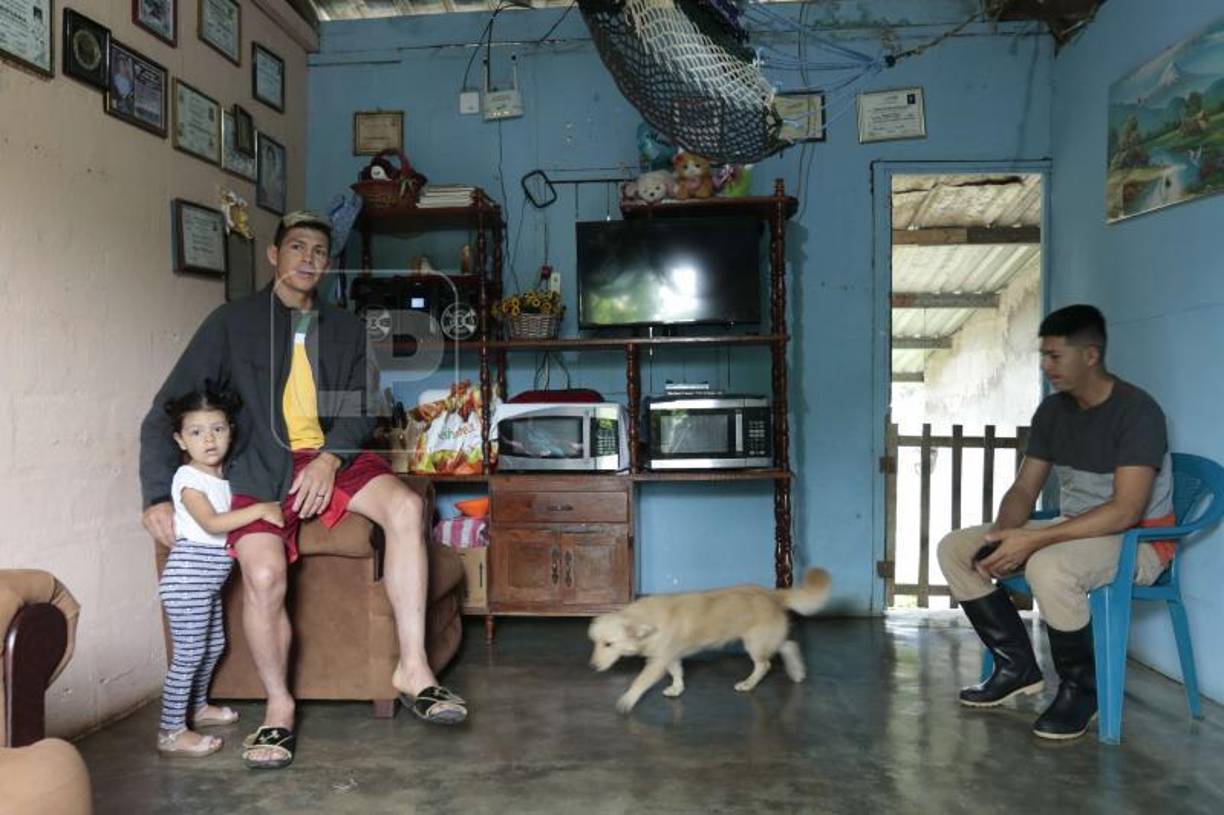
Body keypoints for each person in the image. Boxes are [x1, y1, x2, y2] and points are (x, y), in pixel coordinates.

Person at [140, 211, 467, 771]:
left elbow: (362, 406)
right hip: (257, 468)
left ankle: (413, 670)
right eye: (296, 246)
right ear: (274, 255)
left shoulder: (344, 327)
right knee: (265, 575)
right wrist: (154, 495)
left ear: (328, 262)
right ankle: (279, 704)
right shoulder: (231, 322)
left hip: (330, 457)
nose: (308, 258)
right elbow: (165, 409)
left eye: (319, 249)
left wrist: (329, 458)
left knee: (407, 507)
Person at [936, 304, 1173, 740]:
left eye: (1055, 356)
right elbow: (1025, 489)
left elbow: (1125, 510)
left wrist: (1032, 543)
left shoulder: (1138, 412)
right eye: (1043, 355)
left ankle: (1082, 691)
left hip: (1137, 541)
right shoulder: (1053, 412)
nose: (1046, 366)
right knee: (957, 548)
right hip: (1074, 529)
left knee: (1050, 565)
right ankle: (1017, 667)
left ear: (1090, 355)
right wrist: (1003, 534)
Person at [156, 386, 284, 758]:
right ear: (180, 438)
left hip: (206, 584)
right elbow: (212, 522)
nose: (208, 439)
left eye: (218, 429)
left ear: (231, 430)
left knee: (213, 647)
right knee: (189, 654)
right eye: (196, 432)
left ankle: (196, 708)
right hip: (186, 581)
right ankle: (170, 730)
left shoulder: (226, 477)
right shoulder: (188, 478)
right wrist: (261, 510)